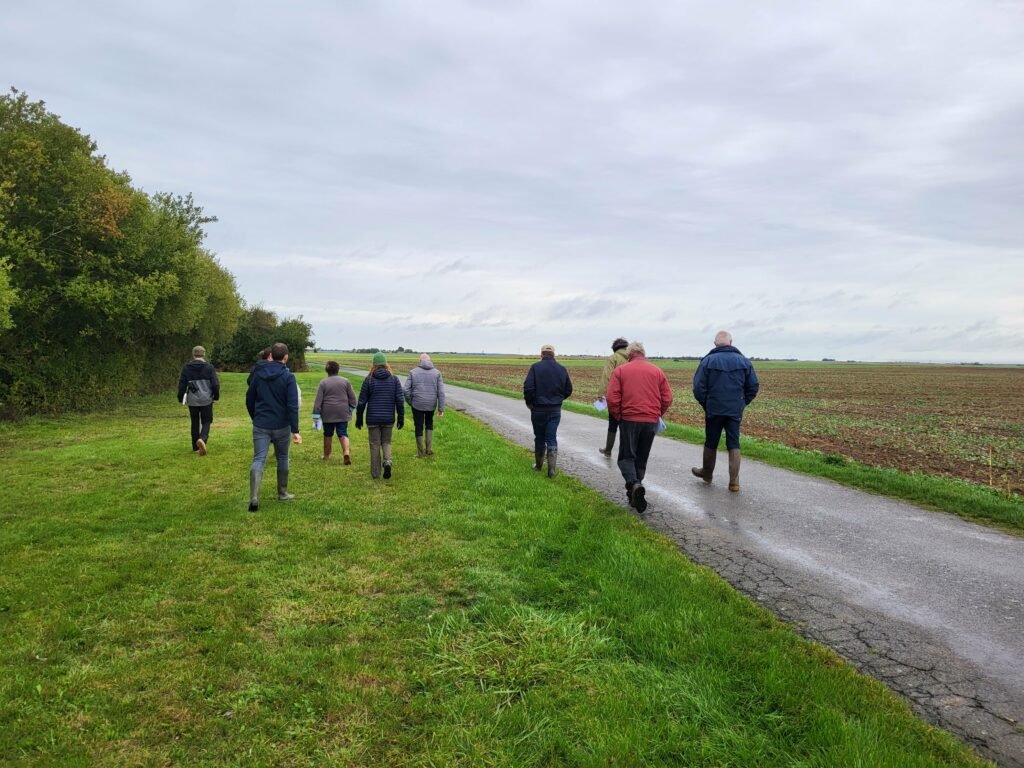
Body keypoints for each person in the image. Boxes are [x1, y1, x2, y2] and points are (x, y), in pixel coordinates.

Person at [606, 340, 672, 513]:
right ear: (643, 354)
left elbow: (612, 398)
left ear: (629, 355)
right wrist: (657, 413)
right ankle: (635, 491)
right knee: (641, 457)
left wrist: (619, 416)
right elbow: (667, 398)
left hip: (629, 419)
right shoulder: (657, 371)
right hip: (650, 420)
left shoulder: (620, 371)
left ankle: (634, 485)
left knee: (627, 456)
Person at [691, 330, 760, 492]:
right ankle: (734, 482)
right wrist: (742, 403)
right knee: (733, 442)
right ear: (731, 342)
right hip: (734, 409)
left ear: (715, 344)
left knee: (711, 441)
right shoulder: (744, 361)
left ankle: (707, 473)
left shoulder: (707, 361)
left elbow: (698, 387)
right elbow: (753, 386)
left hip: (713, 408)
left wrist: (706, 404)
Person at [245, 342, 302, 511]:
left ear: (271, 355)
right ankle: (282, 493)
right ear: (285, 357)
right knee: (283, 458)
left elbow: (249, 398)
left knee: (259, 459)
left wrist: (255, 417)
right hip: (282, 425)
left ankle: (254, 497)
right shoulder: (288, 377)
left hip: (261, 423)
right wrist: (295, 430)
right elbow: (292, 405)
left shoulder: (259, 374)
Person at [523, 344, 573, 477]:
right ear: (554, 354)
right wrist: (558, 399)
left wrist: (530, 403)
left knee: (539, 437)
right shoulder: (562, 369)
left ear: (541, 354)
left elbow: (528, 388)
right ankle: (552, 469)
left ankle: (539, 465)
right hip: (555, 409)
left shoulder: (535, 367)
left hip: (538, 409)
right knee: (551, 437)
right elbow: (568, 390)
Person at [355, 352, 404, 479]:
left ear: (374, 365)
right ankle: (387, 461)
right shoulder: (394, 379)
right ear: (386, 364)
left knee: (374, 444)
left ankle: (375, 473)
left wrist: (359, 417)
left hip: (373, 418)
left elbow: (361, 401)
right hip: (388, 417)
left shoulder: (369, 380)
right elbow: (399, 400)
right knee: (386, 442)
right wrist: (401, 416)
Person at [177, 345, 220, 455]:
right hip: (206, 399)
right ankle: (203, 439)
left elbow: (182, 384)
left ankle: (195, 447)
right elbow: (215, 384)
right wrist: (215, 396)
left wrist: (180, 397)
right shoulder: (209, 367)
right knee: (207, 420)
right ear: (204, 354)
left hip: (193, 400)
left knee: (194, 422)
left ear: (193, 354)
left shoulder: (187, 368)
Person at [313, 361, 357, 463]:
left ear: (327, 370)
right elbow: (353, 399)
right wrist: (349, 410)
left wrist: (316, 416)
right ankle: (346, 452)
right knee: (342, 433)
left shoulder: (323, 383)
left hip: (327, 413)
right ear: (338, 369)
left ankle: (326, 455)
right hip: (342, 412)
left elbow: (318, 402)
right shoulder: (346, 381)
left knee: (328, 434)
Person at [403, 353, 446, 458]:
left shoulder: (413, 372)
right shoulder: (437, 373)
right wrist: (441, 408)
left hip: (417, 404)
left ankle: (420, 453)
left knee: (418, 426)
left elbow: (405, 390)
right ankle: (429, 449)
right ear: (430, 360)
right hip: (431, 404)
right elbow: (441, 392)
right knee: (429, 423)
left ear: (420, 361)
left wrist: (411, 401)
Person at [597, 337, 629, 457]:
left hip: (615, 396)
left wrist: (601, 394)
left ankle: (608, 449)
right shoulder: (632, 358)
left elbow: (607, 377)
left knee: (613, 424)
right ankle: (625, 452)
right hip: (630, 398)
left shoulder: (614, 358)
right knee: (626, 426)